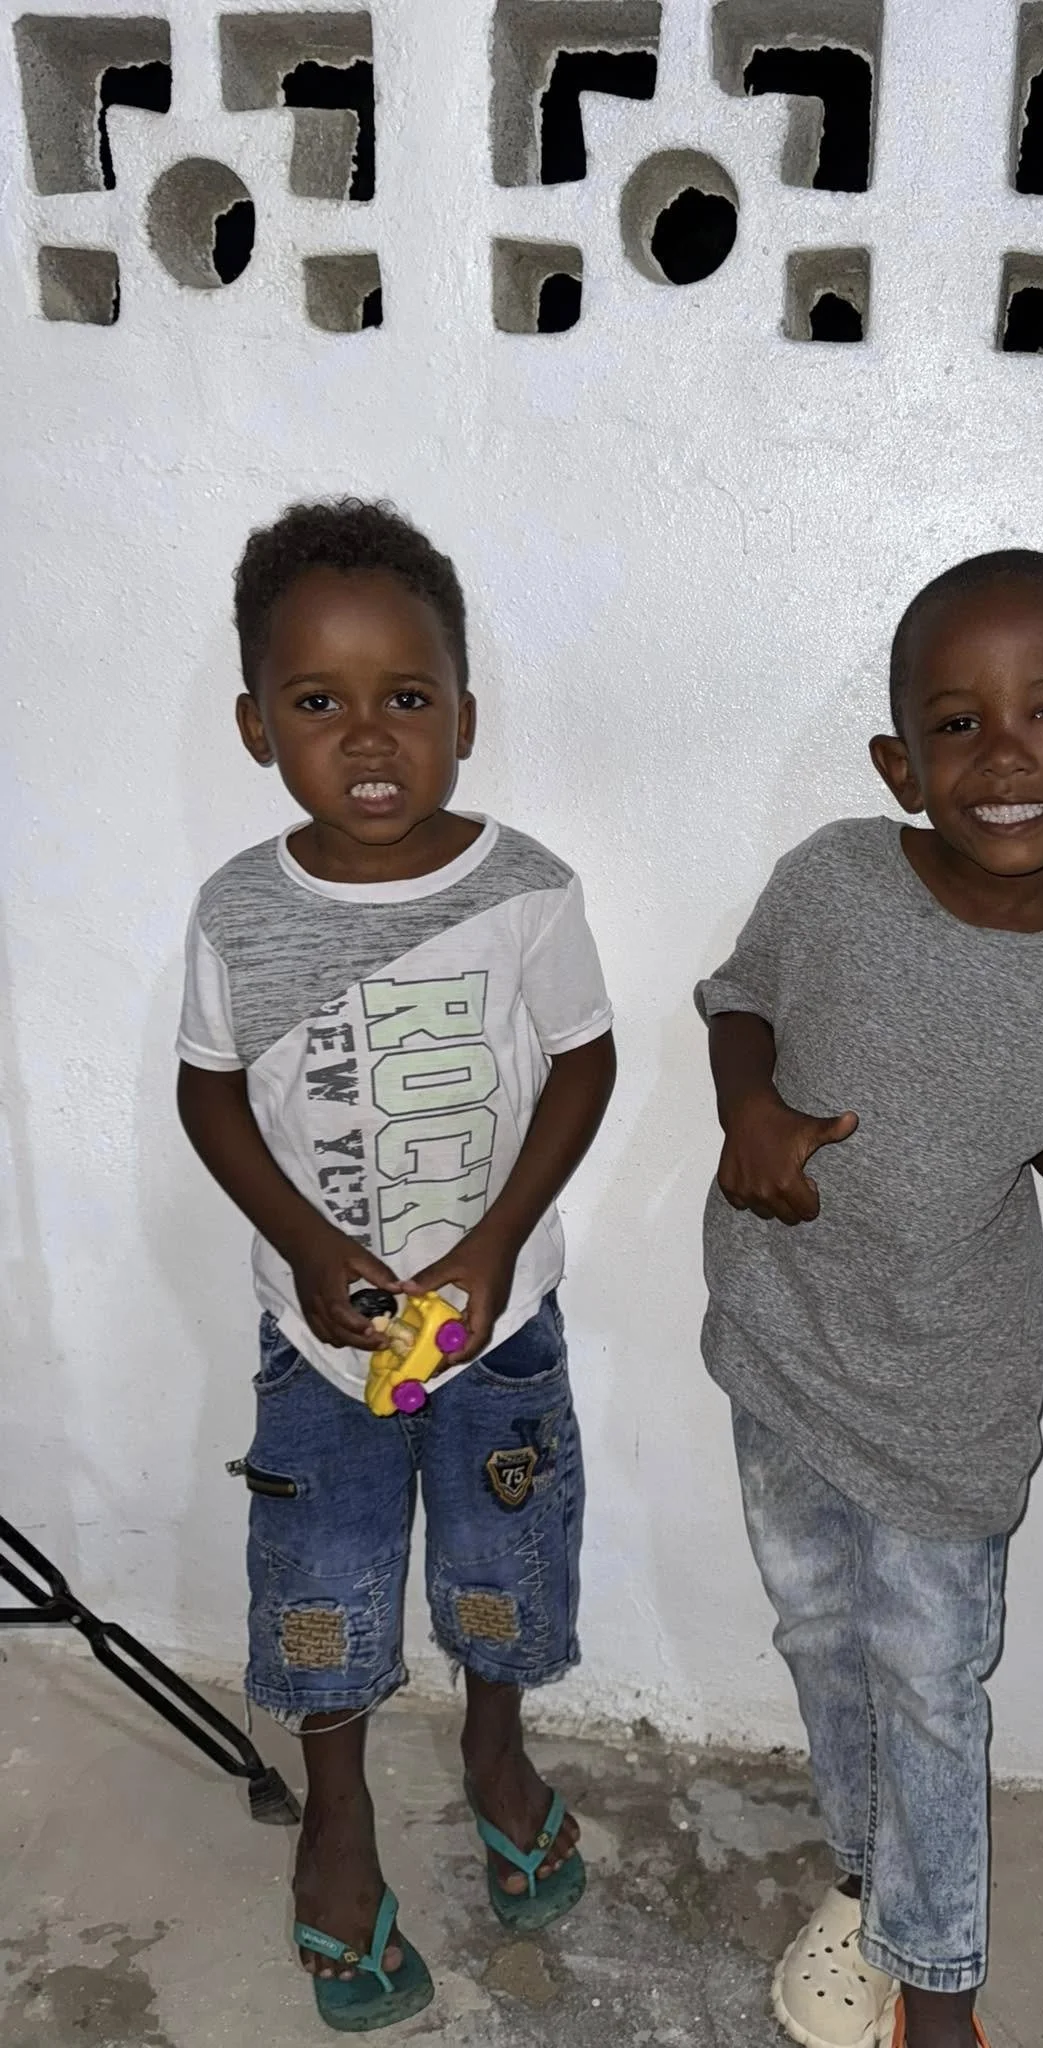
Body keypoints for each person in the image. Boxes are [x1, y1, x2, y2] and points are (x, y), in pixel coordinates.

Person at [697, 551, 1043, 2048]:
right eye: (958, 724)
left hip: (948, 1389)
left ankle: (938, 1982)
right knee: (818, 1638)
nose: (1004, 755)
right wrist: (749, 1111)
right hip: (782, 1345)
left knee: (933, 1686)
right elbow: (740, 997)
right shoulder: (831, 877)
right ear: (901, 761)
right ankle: (871, 1879)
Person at [176, 499, 616, 2031]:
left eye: (407, 699)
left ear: (465, 719)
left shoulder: (525, 888)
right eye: (318, 704)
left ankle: (498, 1751)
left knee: (505, 1572)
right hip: (320, 1349)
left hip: (502, 1331)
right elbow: (210, 1089)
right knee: (324, 1590)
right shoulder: (241, 909)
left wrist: (495, 1244)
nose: (368, 738)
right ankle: (340, 1824)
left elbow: (582, 1061)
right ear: (256, 726)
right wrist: (305, 1249)